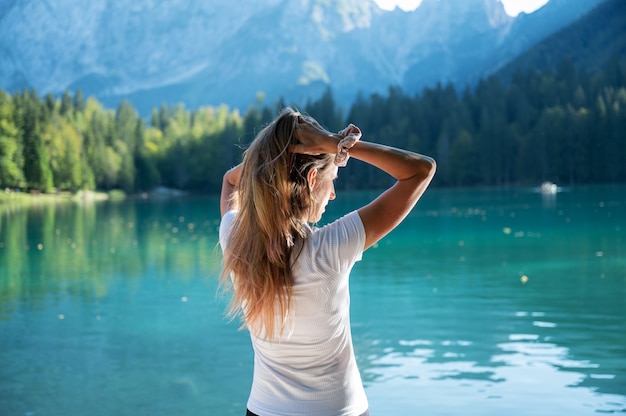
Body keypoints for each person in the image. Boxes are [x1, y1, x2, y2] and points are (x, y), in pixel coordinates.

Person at [219, 108, 436, 416]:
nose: (332, 194)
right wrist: (337, 144)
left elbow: (231, 182)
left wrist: (275, 155)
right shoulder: (332, 248)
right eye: (332, 179)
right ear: (311, 179)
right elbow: (421, 170)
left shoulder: (236, 241)